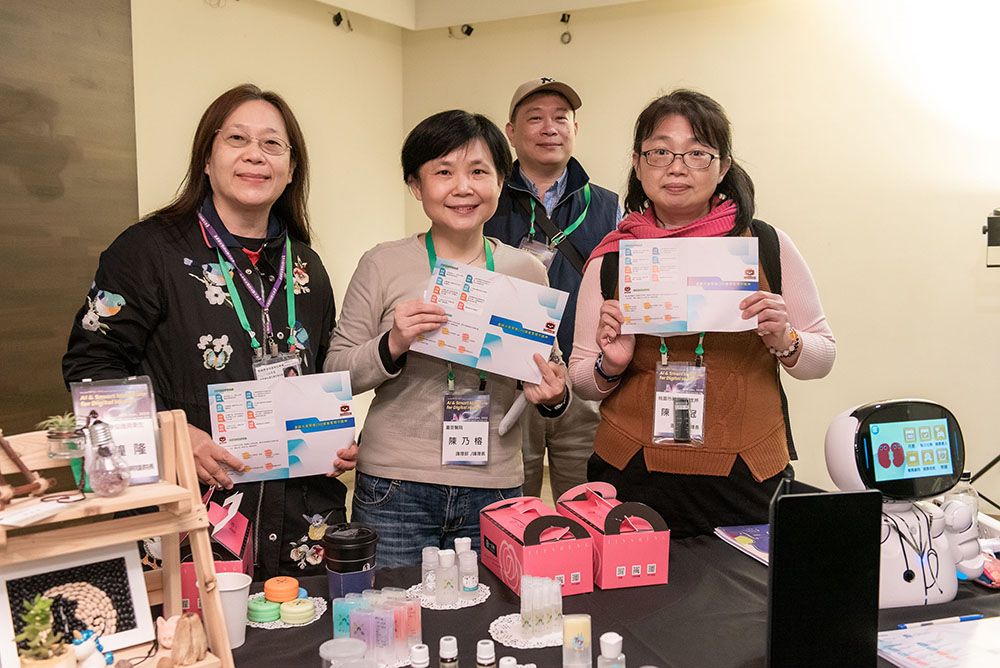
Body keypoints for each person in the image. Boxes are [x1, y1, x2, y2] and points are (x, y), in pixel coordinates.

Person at [63, 83, 357, 578]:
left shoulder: (306, 265)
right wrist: (174, 433)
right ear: (206, 157)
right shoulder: (148, 251)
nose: (255, 155)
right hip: (188, 517)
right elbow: (90, 367)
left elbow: (324, 369)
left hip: (302, 524)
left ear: (291, 168)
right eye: (237, 139)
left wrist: (336, 433)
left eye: (272, 144)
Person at [568, 90, 836, 537]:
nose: (676, 167)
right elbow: (581, 378)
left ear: (723, 166)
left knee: (748, 583)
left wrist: (786, 340)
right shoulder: (613, 257)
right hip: (632, 471)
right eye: (660, 152)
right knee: (636, 584)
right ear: (637, 163)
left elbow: (822, 357)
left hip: (745, 474)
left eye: (696, 153)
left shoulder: (766, 246)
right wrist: (608, 366)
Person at [325, 110, 568, 567]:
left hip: (495, 486)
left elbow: (552, 372)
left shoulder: (527, 271)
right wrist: (393, 342)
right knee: (390, 609)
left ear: (501, 181)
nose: (463, 187)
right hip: (395, 486)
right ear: (416, 186)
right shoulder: (382, 263)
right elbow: (336, 371)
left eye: (478, 171)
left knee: (488, 608)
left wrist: (554, 393)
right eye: (443, 172)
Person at [483, 77, 620, 501]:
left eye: (561, 118)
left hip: (584, 382)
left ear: (575, 129)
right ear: (511, 132)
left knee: (589, 508)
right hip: (505, 382)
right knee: (510, 511)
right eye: (535, 118)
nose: (550, 128)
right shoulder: (484, 201)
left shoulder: (610, 206)